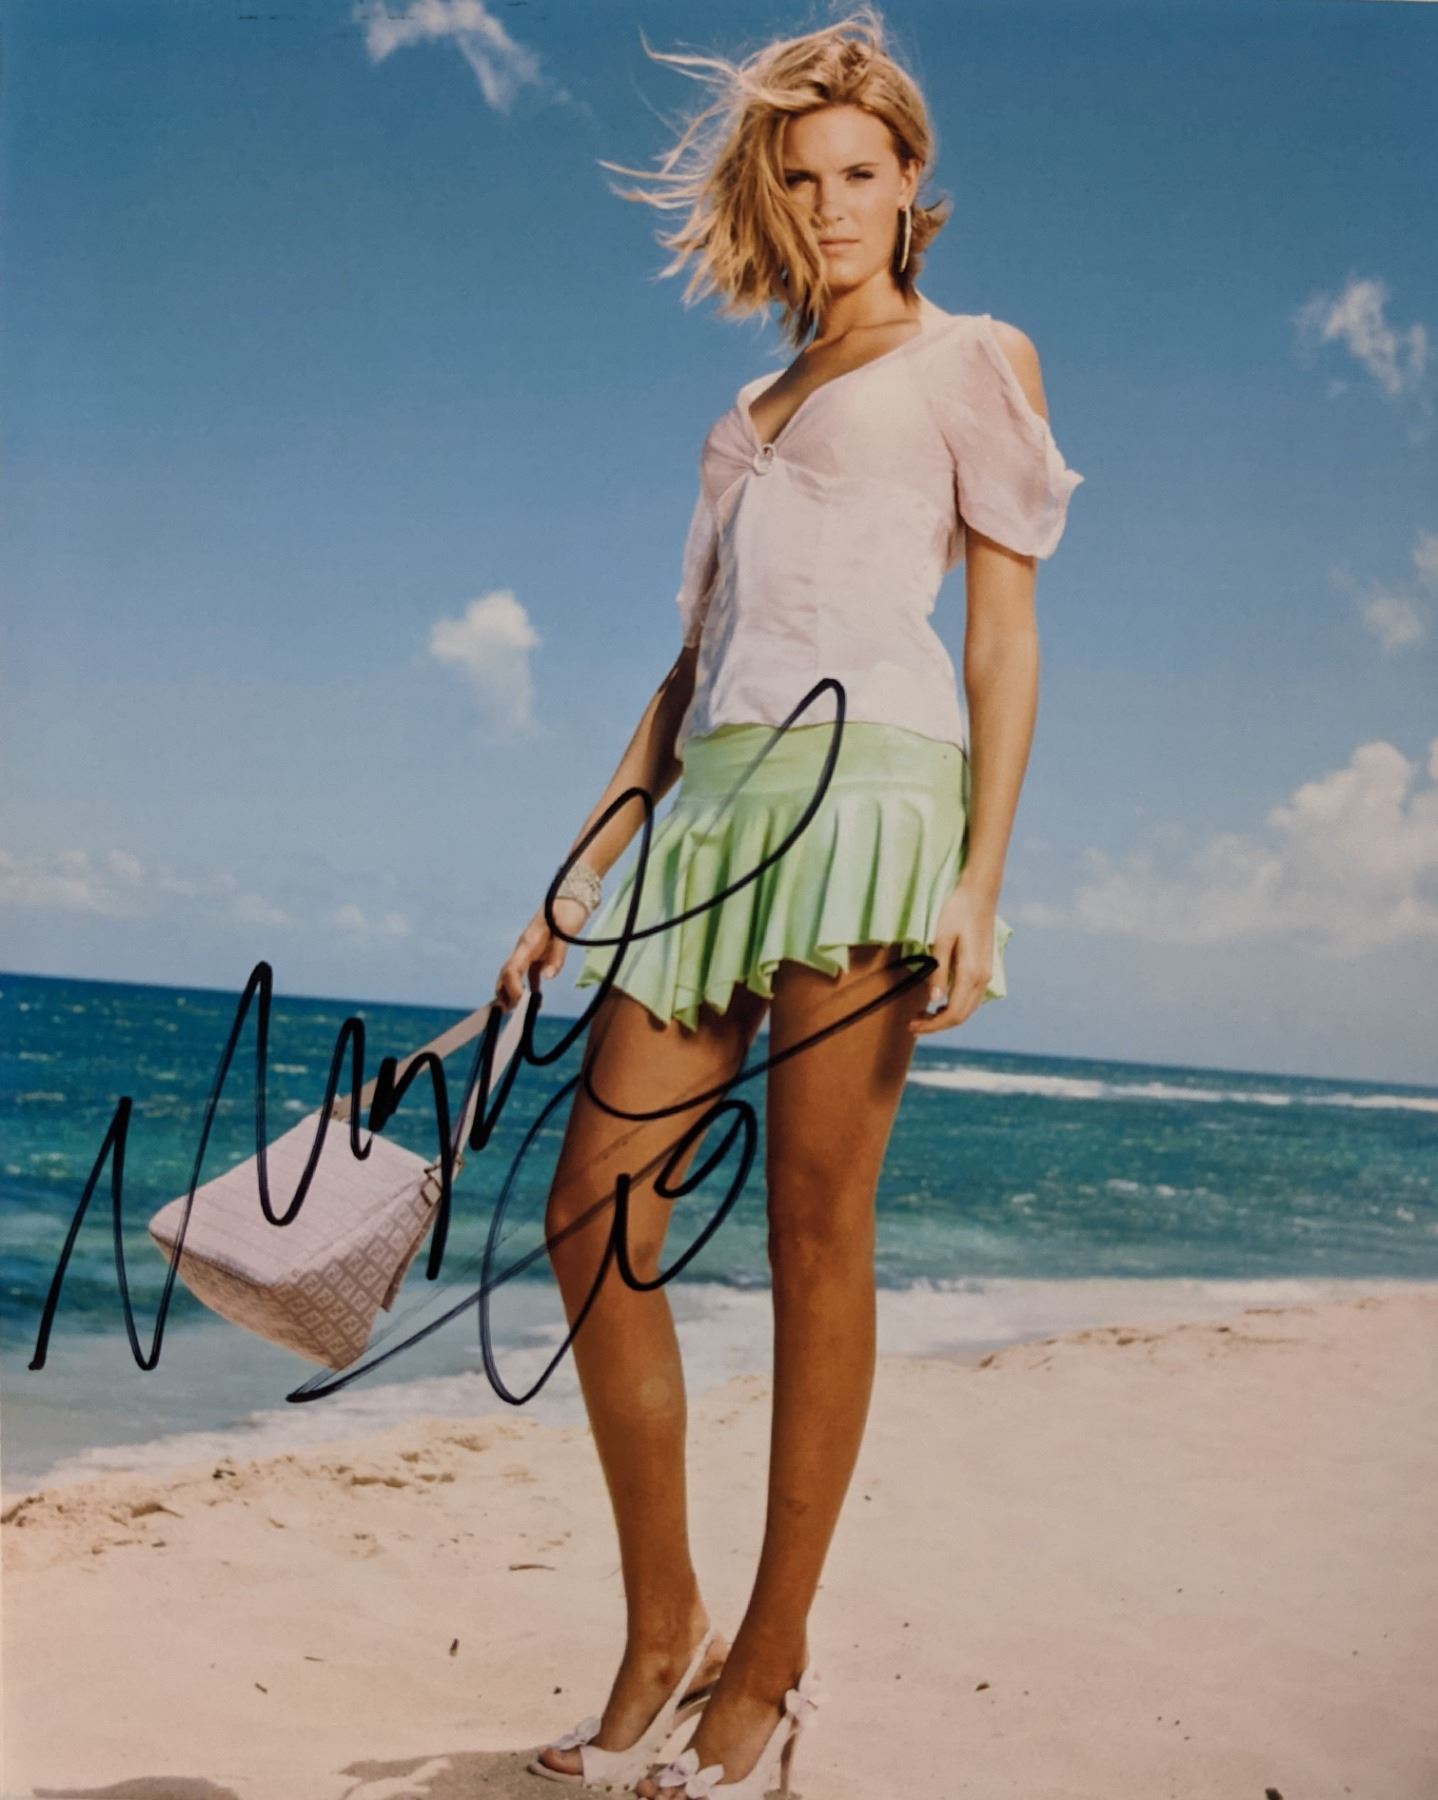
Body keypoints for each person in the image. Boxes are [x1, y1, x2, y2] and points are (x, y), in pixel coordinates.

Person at [495, 9, 1084, 1796]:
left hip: (876, 804)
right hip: (708, 822)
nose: (830, 204)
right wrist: (579, 869)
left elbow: (1001, 634)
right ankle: (660, 1625)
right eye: (802, 176)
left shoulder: (972, 356)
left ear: (910, 186)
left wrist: (979, 874)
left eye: (858, 172)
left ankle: (770, 1661)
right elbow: (691, 670)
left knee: (817, 1229)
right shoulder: (741, 415)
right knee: (591, 1212)